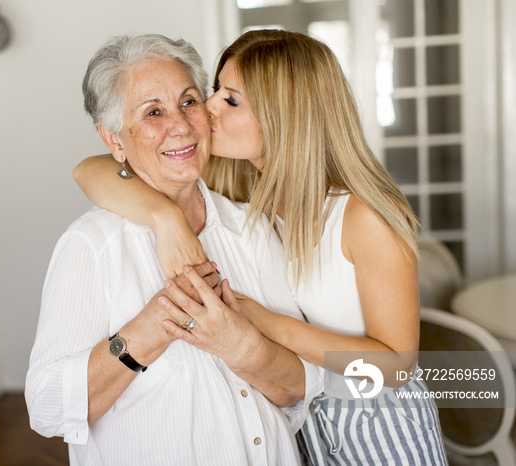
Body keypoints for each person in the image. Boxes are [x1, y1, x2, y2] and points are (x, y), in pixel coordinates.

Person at [72, 30, 448, 465]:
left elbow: (397, 366)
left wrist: (266, 324)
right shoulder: (243, 191)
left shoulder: (363, 217)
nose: (206, 107)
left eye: (231, 100)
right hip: (306, 420)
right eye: (215, 90)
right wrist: (165, 218)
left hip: (378, 422)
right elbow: (90, 170)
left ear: (284, 116)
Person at [25, 33, 323, 466]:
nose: (180, 125)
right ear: (114, 140)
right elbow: (49, 407)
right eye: (152, 112)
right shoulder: (91, 245)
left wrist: (241, 347)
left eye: (188, 101)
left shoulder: (252, 228)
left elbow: (303, 386)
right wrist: (148, 331)